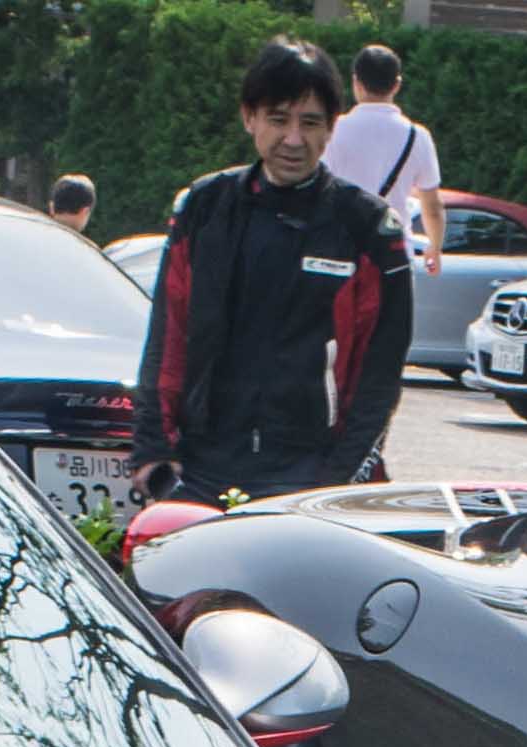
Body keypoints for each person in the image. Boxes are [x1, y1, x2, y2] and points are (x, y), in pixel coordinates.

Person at [134, 38, 414, 501]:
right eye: (278, 119)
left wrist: (342, 480)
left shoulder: (368, 228)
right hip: (201, 467)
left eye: (310, 123)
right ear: (250, 118)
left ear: (331, 128)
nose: (293, 139)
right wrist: (153, 449)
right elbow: (167, 335)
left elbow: (379, 376)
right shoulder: (203, 209)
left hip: (311, 476)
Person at [324, 42, 446, 268]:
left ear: (356, 83)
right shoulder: (417, 136)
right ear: (397, 85)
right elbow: (432, 206)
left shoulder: (331, 130)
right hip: (394, 254)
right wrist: (435, 247)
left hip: (340, 253)